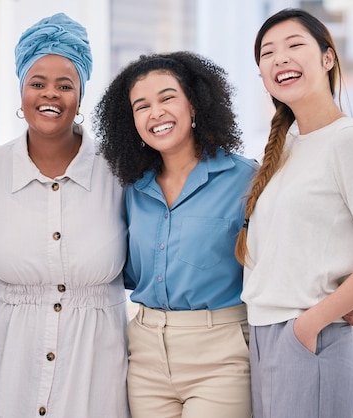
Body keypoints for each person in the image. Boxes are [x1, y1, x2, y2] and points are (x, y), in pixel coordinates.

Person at [235, 8, 353, 418]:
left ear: (328, 58)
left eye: (295, 46)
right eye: (267, 53)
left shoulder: (347, 142)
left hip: (305, 337)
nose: (279, 59)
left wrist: (310, 325)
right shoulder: (287, 147)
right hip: (264, 334)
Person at [0, 13, 130, 418]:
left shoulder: (121, 172)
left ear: (80, 95)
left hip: (94, 371)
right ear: (21, 90)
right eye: (37, 83)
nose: (49, 95)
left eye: (65, 85)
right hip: (2, 369)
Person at [93, 51, 257, 418]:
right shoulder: (132, 190)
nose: (156, 113)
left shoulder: (245, 179)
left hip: (221, 355)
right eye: (142, 105)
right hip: (146, 352)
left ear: (195, 105)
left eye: (168, 98)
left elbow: (283, 252)